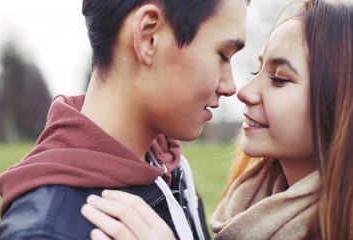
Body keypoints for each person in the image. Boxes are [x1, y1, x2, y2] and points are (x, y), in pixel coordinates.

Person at [81, 0, 353, 239]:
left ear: (342, 102)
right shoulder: (244, 204)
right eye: (256, 70)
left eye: (279, 79)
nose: (243, 91)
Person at [0, 0, 249, 239]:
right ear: (149, 37)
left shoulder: (169, 164)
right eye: (223, 55)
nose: (231, 86)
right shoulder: (43, 233)